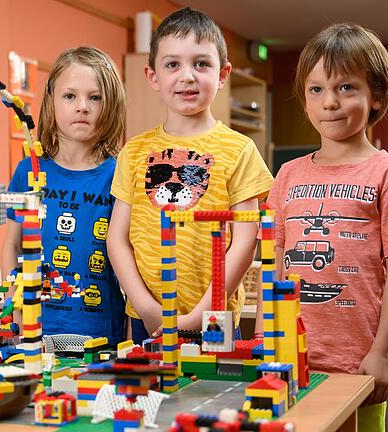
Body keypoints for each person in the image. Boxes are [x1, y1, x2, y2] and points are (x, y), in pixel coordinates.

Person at [265, 23, 388, 430]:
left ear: (376, 96)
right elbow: (274, 266)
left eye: (346, 88)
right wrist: (265, 339)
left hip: (357, 362)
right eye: (316, 89)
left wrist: (384, 351)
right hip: (288, 356)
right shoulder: (286, 175)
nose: (330, 103)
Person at [107, 7, 273, 344]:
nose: (187, 76)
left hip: (213, 316)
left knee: (217, 394)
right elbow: (117, 239)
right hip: (146, 315)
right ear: (152, 77)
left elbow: (244, 242)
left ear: (222, 74)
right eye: (172, 64)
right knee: (150, 395)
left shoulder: (240, 150)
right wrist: (145, 306)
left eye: (201, 63)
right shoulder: (133, 151)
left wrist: (199, 314)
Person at [1, 47, 127, 345]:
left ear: (110, 105)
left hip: (103, 333)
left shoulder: (120, 174)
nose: (82, 106)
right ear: (52, 101)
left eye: (94, 97)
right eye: (70, 96)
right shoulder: (27, 171)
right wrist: (13, 304)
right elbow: (12, 245)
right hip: (36, 329)